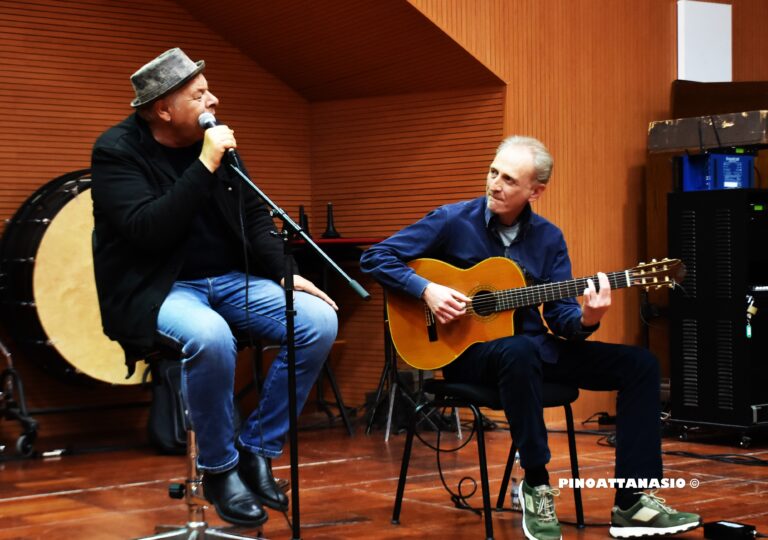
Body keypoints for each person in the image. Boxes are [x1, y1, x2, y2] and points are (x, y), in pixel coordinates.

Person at [360, 136, 701, 540]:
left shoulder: (548, 239)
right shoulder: (453, 221)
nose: (494, 184)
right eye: (493, 172)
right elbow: (375, 257)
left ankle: (633, 502)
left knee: (640, 365)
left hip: (533, 350)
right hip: (467, 354)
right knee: (519, 351)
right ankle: (537, 484)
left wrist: (588, 319)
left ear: (534, 192)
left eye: (508, 179)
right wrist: (426, 290)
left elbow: (561, 317)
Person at [91, 48, 338, 527]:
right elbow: (148, 230)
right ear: (163, 108)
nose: (213, 100)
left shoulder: (217, 145)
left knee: (318, 321)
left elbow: (253, 216)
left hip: (230, 279)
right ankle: (220, 469)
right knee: (209, 337)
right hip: (161, 287)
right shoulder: (116, 151)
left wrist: (287, 273)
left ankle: (257, 450)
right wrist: (202, 165)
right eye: (199, 94)